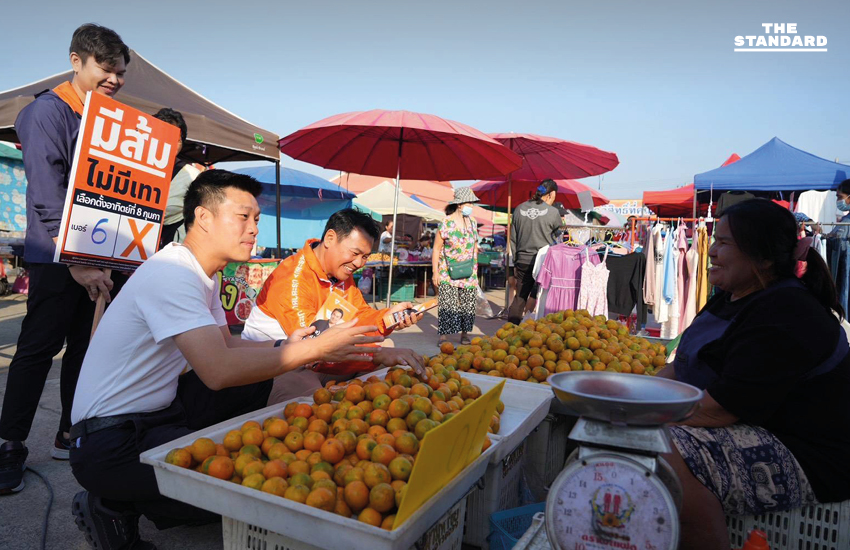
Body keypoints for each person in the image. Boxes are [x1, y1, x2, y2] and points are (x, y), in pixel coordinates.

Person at [68, 170, 382, 549]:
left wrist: (286, 344)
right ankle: (113, 503)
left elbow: (227, 347)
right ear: (203, 218)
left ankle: (154, 492)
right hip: (110, 441)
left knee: (268, 391)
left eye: (257, 220)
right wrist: (314, 349)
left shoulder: (204, 275)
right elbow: (217, 371)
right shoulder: (171, 273)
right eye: (243, 217)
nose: (254, 230)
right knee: (241, 487)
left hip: (161, 415)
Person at [656, 199, 850, 550]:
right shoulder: (728, 297)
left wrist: (638, 413)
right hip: (746, 425)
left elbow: (718, 410)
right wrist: (623, 394)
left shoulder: (787, 312)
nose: (712, 251)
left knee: (660, 448)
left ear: (763, 257)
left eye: (725, 242)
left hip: (810, 455)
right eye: (715, 240)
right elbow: (679, 369)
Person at [0, 24, 131, 495]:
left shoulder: (110, 120)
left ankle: (68, 431)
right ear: (76, 61)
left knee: (84, 348)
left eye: (119, 72)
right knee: (37, 349)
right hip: (58, 258)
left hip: (98, 255)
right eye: (105, 69)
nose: (114, 79)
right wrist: (72, 258)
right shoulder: (46, 113)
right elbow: (46, 193)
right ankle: (10, 444)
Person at [242, 208, 425, 404]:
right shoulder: (292, 278)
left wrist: (389, 318)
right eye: (355, 253)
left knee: (387, 372)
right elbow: (314, 349)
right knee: (314, 406)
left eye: (365, 256)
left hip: (319, 358)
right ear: (329, 238)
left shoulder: (340, 274)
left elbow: (359, 316)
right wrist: (377, 355)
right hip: (280, 365)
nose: (359, 263)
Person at [507, 179, 564, 324]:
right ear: (551, 194)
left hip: (522, 261)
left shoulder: (519, 209)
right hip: (544, 262)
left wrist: (514, 263)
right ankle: (535, 329)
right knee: (542, 296)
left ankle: (511, 331)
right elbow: (560, 240)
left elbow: (513, 239)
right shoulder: (553, 212)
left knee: (520, 296)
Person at [432, 187, 480, 345]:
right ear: (460, 204)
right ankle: (443, 337)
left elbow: (474, 246)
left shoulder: (472, 222)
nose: (471, 206)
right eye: (469, 203)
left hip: (469, 271)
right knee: (447, 303)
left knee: (468, 304)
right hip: (447, 270)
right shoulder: (446, 223)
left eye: (472, 204)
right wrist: (435, 272)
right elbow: (437, 248)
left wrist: (475, 267)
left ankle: (465, 334)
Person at [153, 108, 200, 247]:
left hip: (167, 245)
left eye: (177, 140)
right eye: (164, 137)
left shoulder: (192, 176)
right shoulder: (132, 164)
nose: (169, 144)